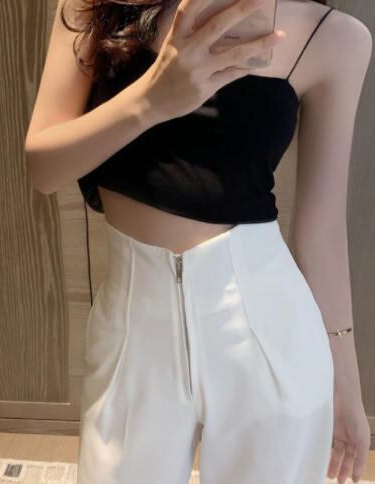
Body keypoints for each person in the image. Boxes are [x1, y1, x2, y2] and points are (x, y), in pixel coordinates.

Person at [24, 0, 372, 482]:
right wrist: (152, 98)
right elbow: (42, 169)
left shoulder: (335, 37)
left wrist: (346, 387)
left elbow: (322, 230)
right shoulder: (96, 7)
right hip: (133, 323)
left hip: (267, 327)